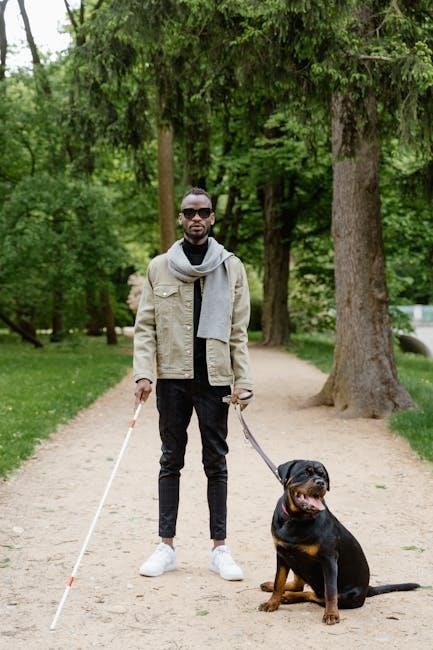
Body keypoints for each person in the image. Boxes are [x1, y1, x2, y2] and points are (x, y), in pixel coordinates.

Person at [133, 187, 253, 581]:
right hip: (172, 378)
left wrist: (243, 381)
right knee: (171, 459)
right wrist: (143, 372)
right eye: (189, 212)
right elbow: (145, 327)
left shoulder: (231, 267)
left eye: (203, 212)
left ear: (212, 217)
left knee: (215, 462)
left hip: (215, 379)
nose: (196, 218)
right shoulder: (159, 267)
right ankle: (165, 546)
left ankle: (220, 549)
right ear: (181, 218)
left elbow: (238, 331)